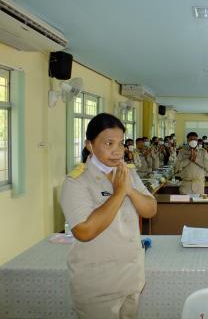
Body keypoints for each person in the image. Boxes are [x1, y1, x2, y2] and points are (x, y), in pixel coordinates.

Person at [60, 113, 157, 319]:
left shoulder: (126, 173)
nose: (117, 151)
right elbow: (84, 231)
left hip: (131, 278)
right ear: (89, 145)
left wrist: (129, 189)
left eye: (121, 143)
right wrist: (120, 193)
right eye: (109, 143)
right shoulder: (76, 181)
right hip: (98, 285)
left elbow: (150, 209)